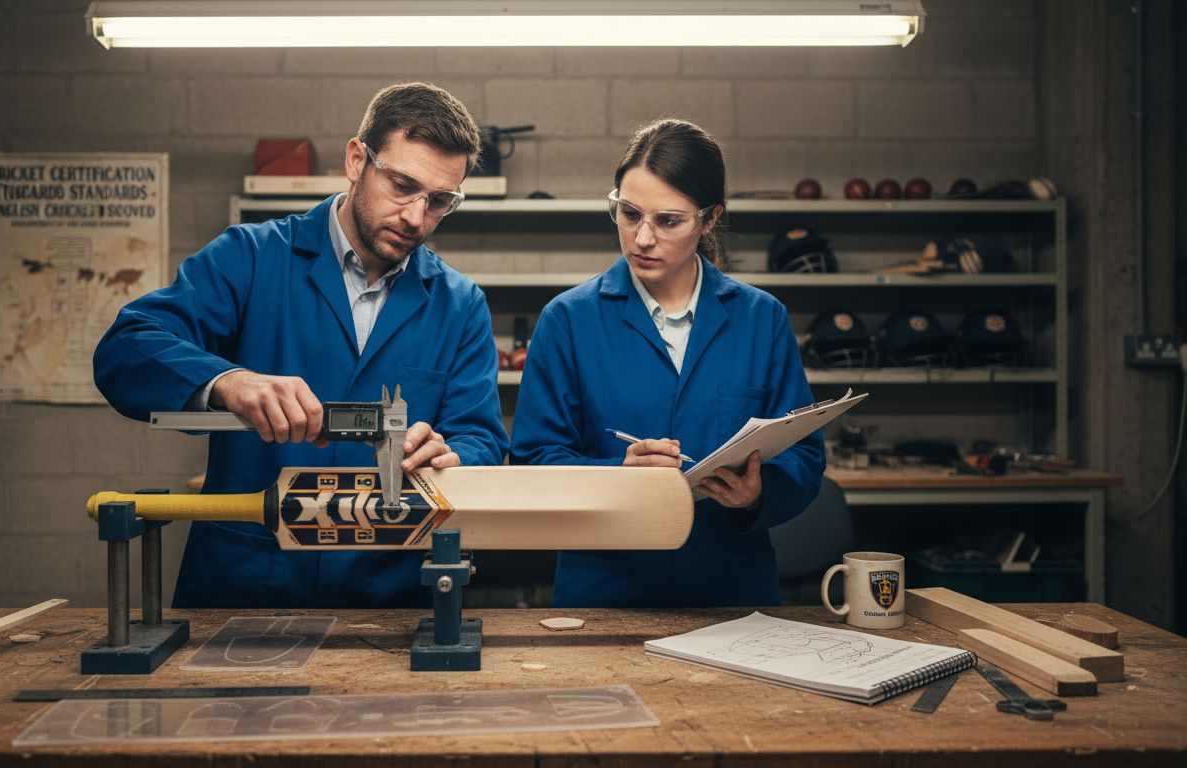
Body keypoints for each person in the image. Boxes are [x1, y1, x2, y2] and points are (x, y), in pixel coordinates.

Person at [94, 82, 508, 609]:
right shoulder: (250, 258)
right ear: (357, 159)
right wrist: (227, 382)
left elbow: (481, 439)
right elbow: (125, 347)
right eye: (403, 185)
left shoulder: (459, 304)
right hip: (245, 583)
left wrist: (450, 453)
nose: (415, 216)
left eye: (439, 201)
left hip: (389, 593)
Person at [509, 119, 825, 608]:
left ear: (710, 217)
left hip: (732, 592)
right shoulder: (568, 321)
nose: (642, 238)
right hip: (606, 592)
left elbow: (804, 458)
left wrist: (756, 496)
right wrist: (618, 475)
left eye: (668, 221)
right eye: (628, 213)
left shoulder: (761, 320)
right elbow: (533, 460)